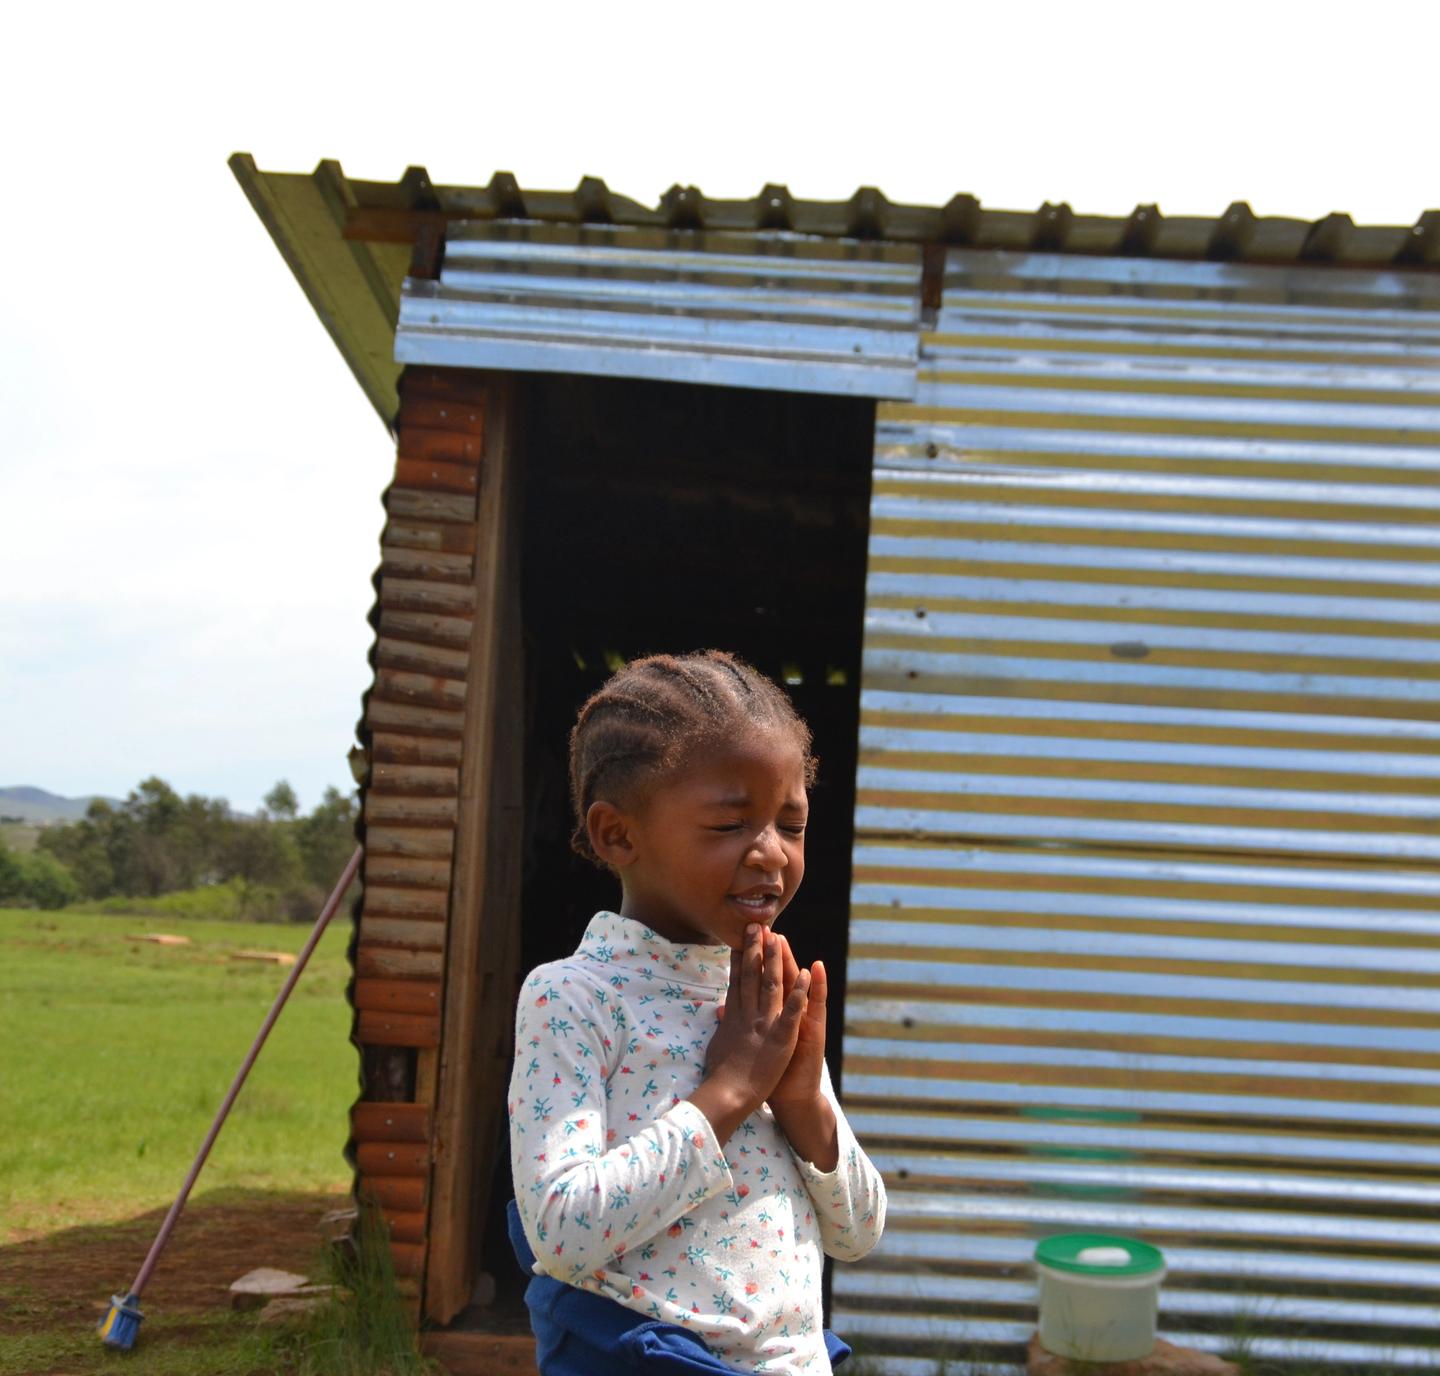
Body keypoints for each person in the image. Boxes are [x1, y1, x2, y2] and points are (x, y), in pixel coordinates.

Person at [507, 650, 886, 1375]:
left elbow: (859, 1233)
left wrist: (802, 1099)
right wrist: (732, 1093)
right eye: (729, 826)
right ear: (619, 835)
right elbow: (560, 1229)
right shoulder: (573, 999)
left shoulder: (766, 994)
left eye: (793, 824)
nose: (772, 855)